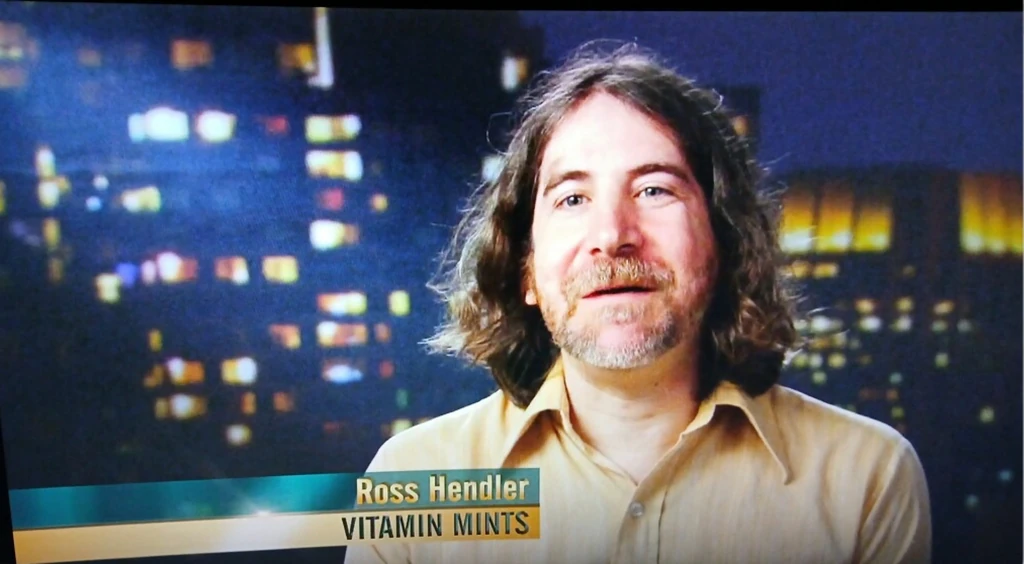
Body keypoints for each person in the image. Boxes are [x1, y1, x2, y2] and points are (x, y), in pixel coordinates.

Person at [345, 42, 931, 564]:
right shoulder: (412, 482)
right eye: (572, 199)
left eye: (654, 189)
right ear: (525, 269)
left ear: (724, 243)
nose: (612, 234)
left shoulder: (867, 478)